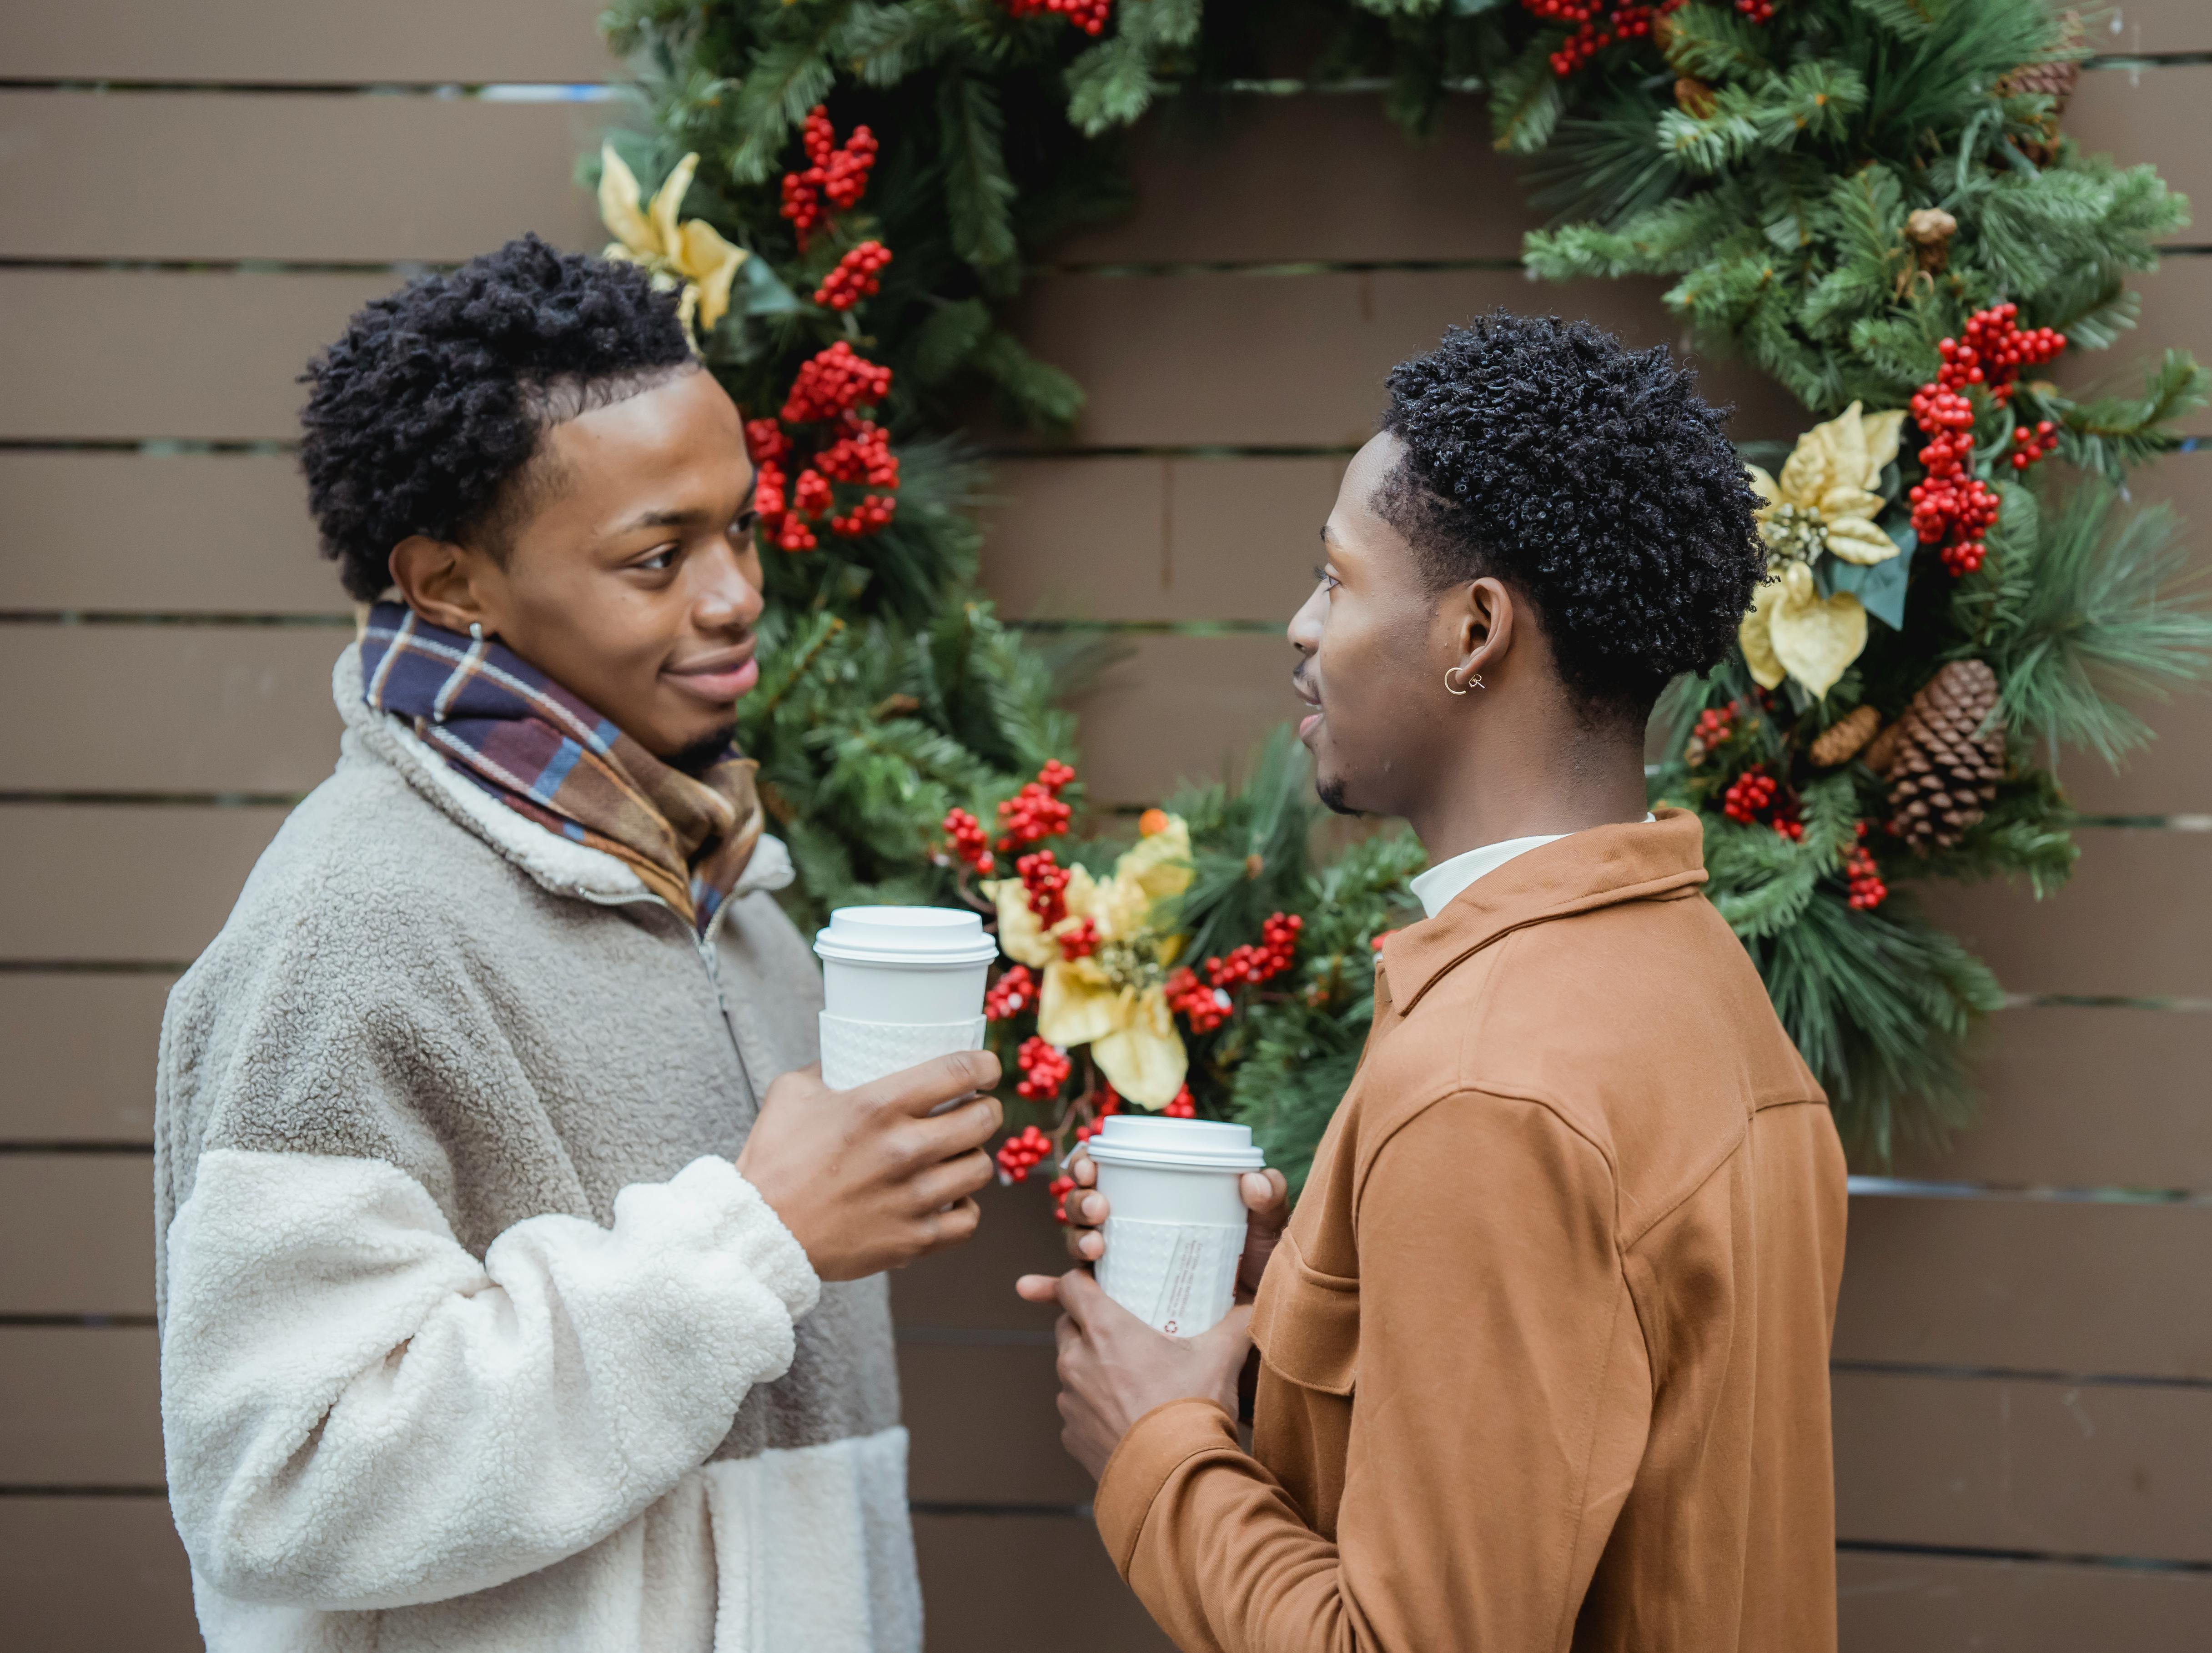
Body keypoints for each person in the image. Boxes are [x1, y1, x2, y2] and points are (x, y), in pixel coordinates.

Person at [154, 235, 1002, 1652]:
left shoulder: (740, 909)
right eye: (658, 556)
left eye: (739, 528)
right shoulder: (351, 923)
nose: (733, 595)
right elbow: (279, 1478)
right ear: (448, 584)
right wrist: (756, 1239)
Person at [1020, 312, 1848, 1651]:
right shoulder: (1697, 982)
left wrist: (1155, 1443)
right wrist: (1307, 1308)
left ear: (1474, 631)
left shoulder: (1491, 1086)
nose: (1300, 628)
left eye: (1336, 580)